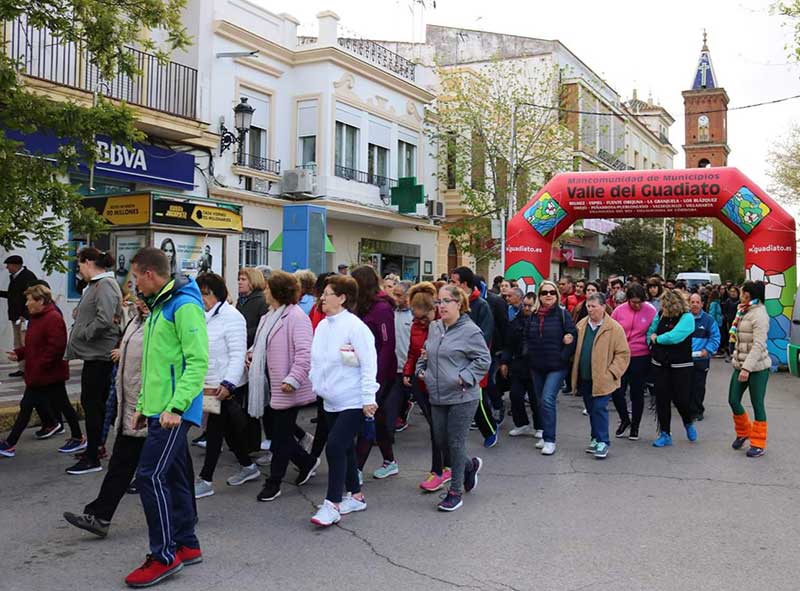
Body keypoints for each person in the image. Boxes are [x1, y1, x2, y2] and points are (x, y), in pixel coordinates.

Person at [125, 247, 207, 588]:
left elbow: (197, 361)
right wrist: (145, 406)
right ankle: (187, 543)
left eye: (134, 278)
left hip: (175, 410)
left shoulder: (183, 305)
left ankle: (163, 556)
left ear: (148, 274)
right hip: (161, 409)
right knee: (171, 476)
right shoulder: (160, 304)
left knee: (149, 476)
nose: (132, 286)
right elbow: (156, 363)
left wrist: (175, 407)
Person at [62, 298, 149, 538]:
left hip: (152, 409)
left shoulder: (163, 322)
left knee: (173, 468)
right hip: (130, 407)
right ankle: (100, 516)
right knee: (121, 463)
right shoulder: (136, 322)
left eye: (144, 296)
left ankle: (184, 518)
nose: (140, 301)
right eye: (139, 297)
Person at [308, 275, 378, 527]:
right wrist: (315, 382)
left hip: (353, 400)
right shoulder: (324, 326)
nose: (322, 298)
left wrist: (369, 398)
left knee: (335, 446)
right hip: (330, 399)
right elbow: (316, 360)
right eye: (322, 293)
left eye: (327, 293)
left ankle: (332, 504)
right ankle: (356, 496)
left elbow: (370, 365)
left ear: (342, 298)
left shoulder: (356, 327)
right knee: (346, 448)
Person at [416, 284, 491, 511]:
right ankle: (469, 466)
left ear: (459, 304)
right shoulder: (435, 327)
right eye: (438, 302)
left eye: (446, 301)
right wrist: (422, 370)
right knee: (442, 441)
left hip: (463, 396)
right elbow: (427, 352)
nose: (441, 306)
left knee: (456, 442)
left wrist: (463, 378)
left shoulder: (470, 330)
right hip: (437, 394)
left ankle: (455, 492)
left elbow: (483, 360)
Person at [253, 271, 318, 502]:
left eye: (268, 288)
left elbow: (305, 353)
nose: (264, 291)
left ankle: (274, 482)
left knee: (280, 436)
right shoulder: (268, 316)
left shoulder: (296, 317)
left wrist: (293, 379)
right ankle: (306, 461)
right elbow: (262, 345)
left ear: (278, 291)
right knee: (277, 431)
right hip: (271, 384)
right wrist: (251, 355)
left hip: (287, 386)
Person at [0, 285, 82, 457]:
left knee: (28, 406)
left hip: (48, 374)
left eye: (30, 300)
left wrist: (39, 367)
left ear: (41, 301)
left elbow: (56, 348)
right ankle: (78, 437)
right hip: (41, 373)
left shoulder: (53, 318)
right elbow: (34, 346)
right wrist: (19, 354)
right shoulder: (36, 317)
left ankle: (10, 444)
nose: (27, 303)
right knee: (63, 406)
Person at [193, 273, 254, 499]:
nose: (202, 298)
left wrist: (229, 383)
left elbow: (238, 354)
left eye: (206, 294)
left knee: (216, 430)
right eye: (199, 293)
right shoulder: (202, 315)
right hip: (209, 382)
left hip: (227, 383)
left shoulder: (233, 317)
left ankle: (206, 479)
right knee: (227, 430)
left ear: (217, 294)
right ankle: (249, 467)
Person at [64, 248, 122, 475]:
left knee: (94, 406)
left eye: (79, 265)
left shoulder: (105, 285)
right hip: (93, 354)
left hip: (100, 355)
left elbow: (105, 319)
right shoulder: (96, 285)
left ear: (88, 262)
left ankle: (93, 456)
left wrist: (84, 333)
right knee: (94, 405)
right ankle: (95, 448)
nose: (79, 270)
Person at [403, 282, 451, 492]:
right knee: (436, 427)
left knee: (439, 428)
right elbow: (412, 353)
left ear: (435, 310)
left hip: (442, 383)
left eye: (424, 316)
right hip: (420, 383)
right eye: (416, 316)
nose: (419, 321)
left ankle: (441, 469)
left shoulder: (446, 326)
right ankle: (445, 468)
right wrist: (407, 371)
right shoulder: (415, 326)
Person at [351, 265, 398, 480]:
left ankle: (357, 469)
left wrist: (376, 377)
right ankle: (390, 460)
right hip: (363, 370)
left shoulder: (381, 309)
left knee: (367, 418)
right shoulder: (362, 307)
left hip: (379, 373)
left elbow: (387, 345)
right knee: (377, 418)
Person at [572, 293, 631, 459]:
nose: (590, 310)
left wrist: (612, 372)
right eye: (588, 307)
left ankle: (603, 441)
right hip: (585, 376)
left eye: (594, 307)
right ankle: (595, 438)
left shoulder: (614, 328)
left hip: (604, 378)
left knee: (599, 408)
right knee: (591, 409)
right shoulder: (581, 325)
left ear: (603, 307)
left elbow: (623, 354)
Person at [526, 280, 577, 455]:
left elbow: (572, 335)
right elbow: (526, 337)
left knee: (547, 399)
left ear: (557, 295)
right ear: (539, 296)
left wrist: (563, 355)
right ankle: (545, 433)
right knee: (540, 401)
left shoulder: (563, 314)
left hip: (556, 366)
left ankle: (550, 439)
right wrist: (528, 354)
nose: (548, 295)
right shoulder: (533, 315)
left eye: (552, 292)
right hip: (537, 365)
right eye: (545, 292)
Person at [449, 267, 498, 448]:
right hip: (454, 359)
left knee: (477, 398)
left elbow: (485, 335)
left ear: (464, 284)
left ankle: (490, 429)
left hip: (474, 361)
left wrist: (470, 353)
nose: (450, 285)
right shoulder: (452, 303)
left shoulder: (481, 305)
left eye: (453, 282)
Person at [647, 289, 698, 448]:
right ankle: (664, 433)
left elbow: (675, 337)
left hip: (681, 365)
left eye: (666, 305)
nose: (663, 308)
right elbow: (651, 331)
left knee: (681, 399)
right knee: (661, 399)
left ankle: (688, 422)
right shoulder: (661, 314)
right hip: (660, 364)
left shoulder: (687, 318)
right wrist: (651, 338)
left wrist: (657, 339)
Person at [728, 281, 771, 458]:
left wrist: (747, 368)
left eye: (742, 291)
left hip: (757, 368)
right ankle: (744, 431)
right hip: (740, 364)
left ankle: (758, 443)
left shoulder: (759, 314)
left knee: (757, 404)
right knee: (733, 400)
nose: (739, 293)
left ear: (748, 295)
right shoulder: (743, 310)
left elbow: (758, 344)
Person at [610, 284, 657, 440]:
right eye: (633, 302)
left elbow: (655, 329)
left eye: (639, 302)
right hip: (620, 355)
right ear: (628, 299)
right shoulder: (619, 311)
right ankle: (625, 419)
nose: (637, 305)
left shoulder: (650, 311)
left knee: (637, 393)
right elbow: (610, 329)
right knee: (616, 389)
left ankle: (635, 427)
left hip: (641, 355)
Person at [501, 292, 542, 439]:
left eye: (530, 305)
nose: (526, 308)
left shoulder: (540, 322)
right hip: (518, 365)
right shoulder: (515, 322)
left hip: (535, 366)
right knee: (515, 395)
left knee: (535, 399)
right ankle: (521, 424)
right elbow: (508, 345)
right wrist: (504, 362)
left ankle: (540, 427)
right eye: (525, 305)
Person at [0, 255, 37, 377]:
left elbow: (33, 296)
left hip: (24, 318)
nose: (7, 267)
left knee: (26, 343)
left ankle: (30, 369)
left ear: (16, 265)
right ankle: (22, 368)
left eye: (8, 265)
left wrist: (25, 314)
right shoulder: (14, 277)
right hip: (15, 316)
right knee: (18, 343)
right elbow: (12, 295)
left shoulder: (27, 276)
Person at [688, 292, 720, 422]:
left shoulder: (709, 320)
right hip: (686, 359)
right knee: (686, 386)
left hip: (701, 359)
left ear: (702, 304)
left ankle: (697, 410)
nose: (695, 304)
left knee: (699, 386)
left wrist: (707, 350)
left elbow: (715, 338)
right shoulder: (684, 319)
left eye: (697, 302)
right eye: (692, 302)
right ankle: (687, 409)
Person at [392, 280, 414, 432]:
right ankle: (397, 418)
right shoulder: (390, 311)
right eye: (394, 294)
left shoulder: (415, 315)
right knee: (394, 396)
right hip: (394, 363)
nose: (395, 298)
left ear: (408, 296)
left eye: (398, 295)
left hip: (410, 364)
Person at [721, 285, 740, 361]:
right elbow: (725, 311)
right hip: (730, 322)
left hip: (738, 322)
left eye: (734, 291)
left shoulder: (740, 301)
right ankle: (731, 354)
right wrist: (726, 318)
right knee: (731, 338)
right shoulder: (728, 301)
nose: (733, 293)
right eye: (731, 291)